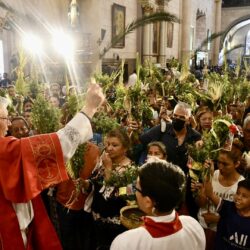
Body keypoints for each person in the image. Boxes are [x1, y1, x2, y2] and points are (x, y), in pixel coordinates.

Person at [0, 83, 105, 250]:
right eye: (5, 118)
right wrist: (90, 108)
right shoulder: (5, 150)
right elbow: (59, 145)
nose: (9, 125)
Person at [110, 160, 206, 250]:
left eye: (136, 189)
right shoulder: (193, 226)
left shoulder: (126, 243)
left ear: (148, 202)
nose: (135, 192)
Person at [82, 128, 132, 249]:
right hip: (96, 221)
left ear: (125, 148)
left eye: (114, 145)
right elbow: (96, 183)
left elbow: (125, 195)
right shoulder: (103, 162)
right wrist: (86, 184)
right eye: (108, 144)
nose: (109, 148)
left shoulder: (132, 171)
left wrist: (109, 170)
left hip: (115, 227)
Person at [192, 139, 245, 250]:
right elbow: (201, 203)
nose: (220, 167)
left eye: (225, 164)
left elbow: (241, 218)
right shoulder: (213, 173)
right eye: (218, 162)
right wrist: (201, 192)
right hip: (202, 226)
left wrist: (217, 219)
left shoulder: (241, 186)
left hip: (223, 233)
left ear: (237, 163)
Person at [204, 178, 250, 250]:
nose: (239, 197)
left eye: (244, 196)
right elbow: (212, 196)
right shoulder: (228, 207)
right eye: (238, 193)